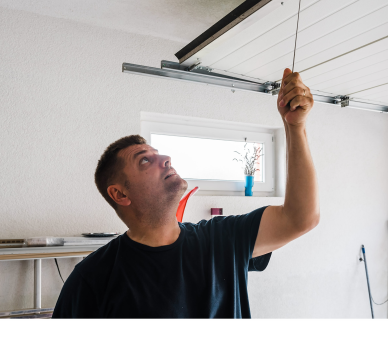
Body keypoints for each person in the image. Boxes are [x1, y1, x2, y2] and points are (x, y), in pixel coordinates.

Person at [52, 68, 318, 318]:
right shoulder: (92, 279)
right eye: (145, 160)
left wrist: (295, 127)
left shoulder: (222, 240)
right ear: (120, 194)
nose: (166, 158)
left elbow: (300, 218)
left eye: (159, 153)